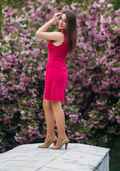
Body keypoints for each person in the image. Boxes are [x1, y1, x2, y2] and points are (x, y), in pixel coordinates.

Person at [36, 11, 77, 149]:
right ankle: (50, 136)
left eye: (65, 21)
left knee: (55, 104)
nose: (60, 22)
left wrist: (52, 20)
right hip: (55, 72)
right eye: (60, 19)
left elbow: (38, 32)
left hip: (56, 73)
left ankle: (62, 136)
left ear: (70, 24)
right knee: (46, 104)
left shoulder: (59, 35)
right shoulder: (66, 36)